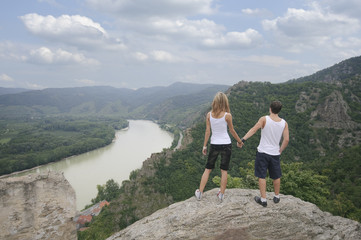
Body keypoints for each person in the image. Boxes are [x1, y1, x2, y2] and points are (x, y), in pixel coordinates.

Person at [238, 100, 289, 207]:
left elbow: (253, 130)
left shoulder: (264, 119)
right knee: (276, 175)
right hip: (275, 153)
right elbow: (286, 139)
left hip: (263, 152)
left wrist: (243, 140)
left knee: (262, 175)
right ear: (279, 110)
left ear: (270, 108)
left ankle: (263, 199)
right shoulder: (284, 123)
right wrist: (280, 150)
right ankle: (277, 196)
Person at [195, 92, 243, 202]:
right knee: (224, 170)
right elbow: (232, 131)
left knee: (208, 169)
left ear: (215, 102)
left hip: (214, 144)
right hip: (226, 144)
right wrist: (239, 141)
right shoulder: (227, 115)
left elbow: (208, 131)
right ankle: (221, 194)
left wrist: (204, 146)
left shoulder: (209, 115)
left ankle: (200, 193)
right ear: (225, 102)